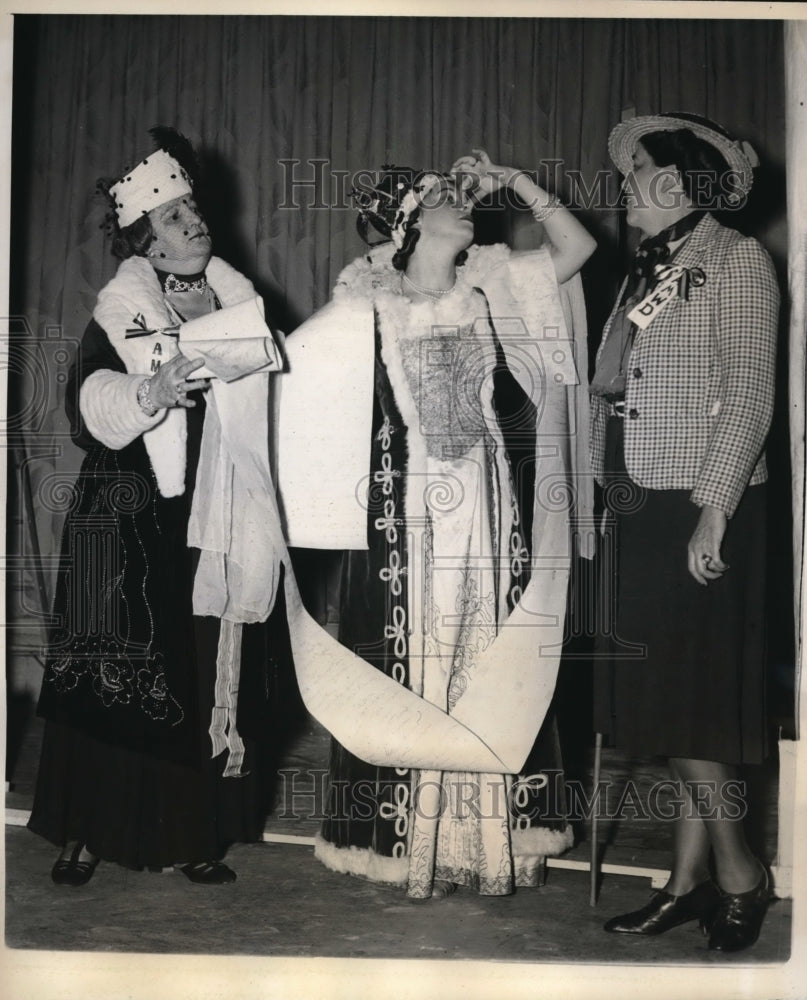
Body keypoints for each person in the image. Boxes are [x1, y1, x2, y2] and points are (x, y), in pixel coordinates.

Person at [287, 150, 596, 899]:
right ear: (407, 224)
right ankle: (411, 846)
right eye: (445, 200)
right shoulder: (359, 308)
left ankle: (489, 843)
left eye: (464, 197)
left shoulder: (490, 286)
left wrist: (515, 181)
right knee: (416, 670)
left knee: (489, 665)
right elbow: (294, 395)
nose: (465, 206)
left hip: (488, 523)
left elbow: (577, 248)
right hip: (405, 527)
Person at [29, 127, 279, 886]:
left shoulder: (241, 304)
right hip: (130, 512)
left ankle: (190, 832)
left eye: (193, 208)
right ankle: (86, 832)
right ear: (148, 239)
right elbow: (87, 404)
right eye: (174, 216)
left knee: (199, 666)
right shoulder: (123, 310)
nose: (194, 221)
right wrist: (152, 391)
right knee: (118, 667)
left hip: (213, 510)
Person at [589, 113, 779, 951]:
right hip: (641, 497)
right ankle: (688, 880)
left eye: (635, 176)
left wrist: (714, 507)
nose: (623, 188)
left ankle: (740, 874)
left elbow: (748, 389)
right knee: (674, 709)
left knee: (689, 708)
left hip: (699, 504)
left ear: (674, 185)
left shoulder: (735, 259)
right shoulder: (650, 267)